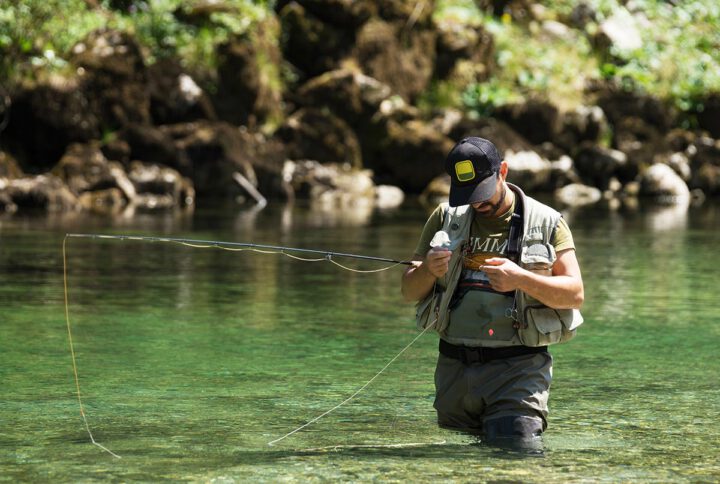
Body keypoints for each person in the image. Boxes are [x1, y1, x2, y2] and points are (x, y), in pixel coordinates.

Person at [401, 136, 584, 447]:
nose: (477, 202)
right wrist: (427, 270)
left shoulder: (548, 222)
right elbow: (408, 290)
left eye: (482, 193)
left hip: (518, 371)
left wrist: (521, 279)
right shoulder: (444, 218)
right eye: (468, 195)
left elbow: (574, 293)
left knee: (518, 455)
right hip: (454, 373)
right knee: (462, 467)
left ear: (503, 171)